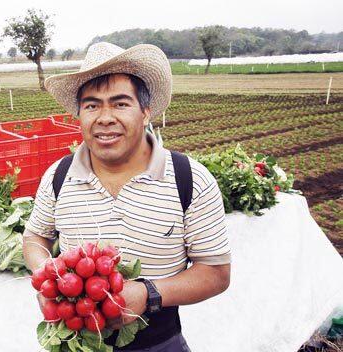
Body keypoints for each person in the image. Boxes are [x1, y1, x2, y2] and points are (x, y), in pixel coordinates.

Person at [23, 42, 231, 351]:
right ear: (79, 114)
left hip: (160, 341)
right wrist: (47, 275)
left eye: (120, 104)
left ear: (146, 111)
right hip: (75, 339)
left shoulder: (191, 180)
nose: (104, 118)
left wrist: (149, 293)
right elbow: (35, 238)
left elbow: (216, 273)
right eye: (92, 105)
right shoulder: (59, 175)